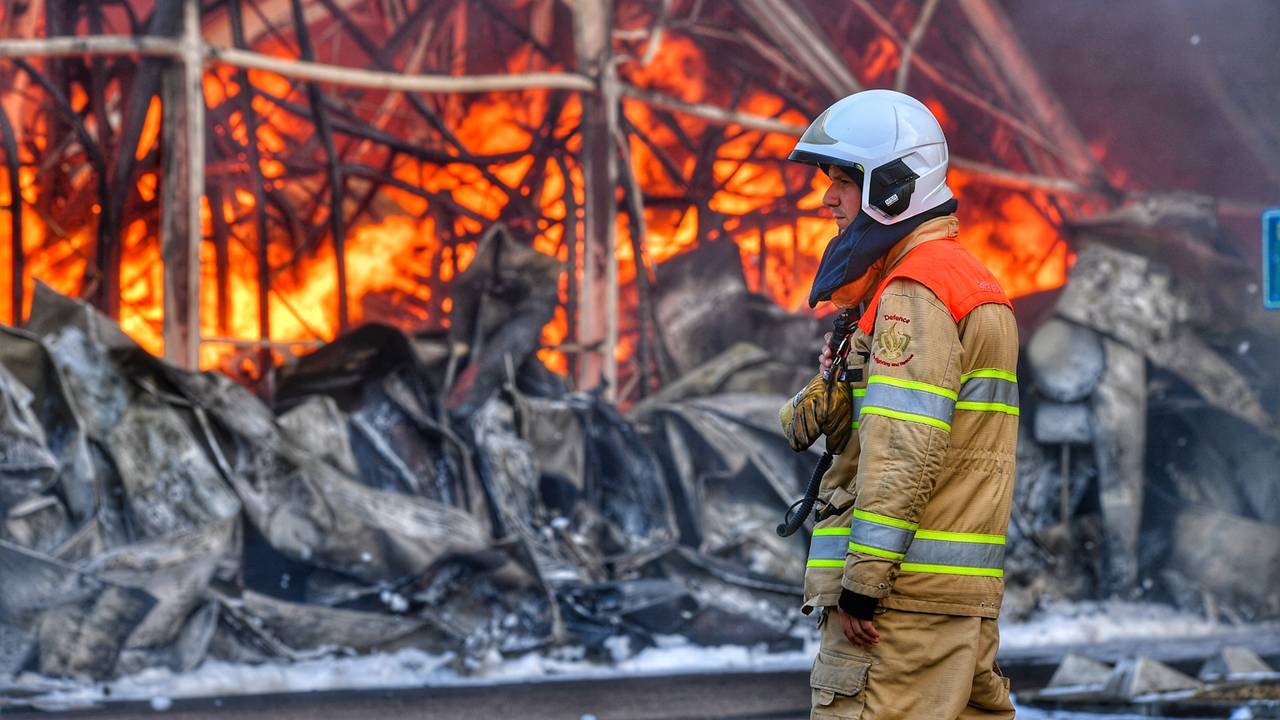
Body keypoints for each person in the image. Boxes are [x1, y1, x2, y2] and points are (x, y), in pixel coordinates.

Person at [779, 89, 1020, 719]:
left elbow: (903, 448)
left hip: (896, 611)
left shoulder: (916, 291)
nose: (827, 198)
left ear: (892, 185)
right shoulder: (965, 281)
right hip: (950, 603)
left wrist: (863, 583)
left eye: (843, 180)